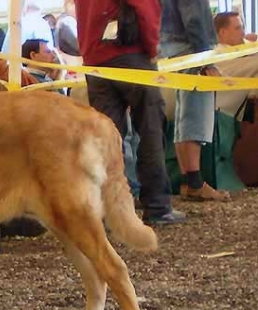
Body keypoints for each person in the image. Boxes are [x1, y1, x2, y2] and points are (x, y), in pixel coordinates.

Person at [75, 0, 186, 225]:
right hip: (131, 55)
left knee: (105, 140)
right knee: (150, 130)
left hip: (96, 60)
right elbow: (145, 7)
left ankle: (107, 211)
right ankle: (157, 206)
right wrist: (152, 47)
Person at [160, 0, 230, 201]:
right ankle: (195, 183)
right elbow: (194, 18)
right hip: (190, 48)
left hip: (173, 47)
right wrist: (206, 60)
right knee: (196, 115)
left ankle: (188, 181)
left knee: (185, 115)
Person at [213, 11, 258, 116]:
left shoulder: (239, 49)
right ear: (223, 32)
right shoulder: (219, 57)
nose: (243, 33)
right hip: (228, 115)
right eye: (238, 28)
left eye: (242, 28)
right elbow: (251, 65)